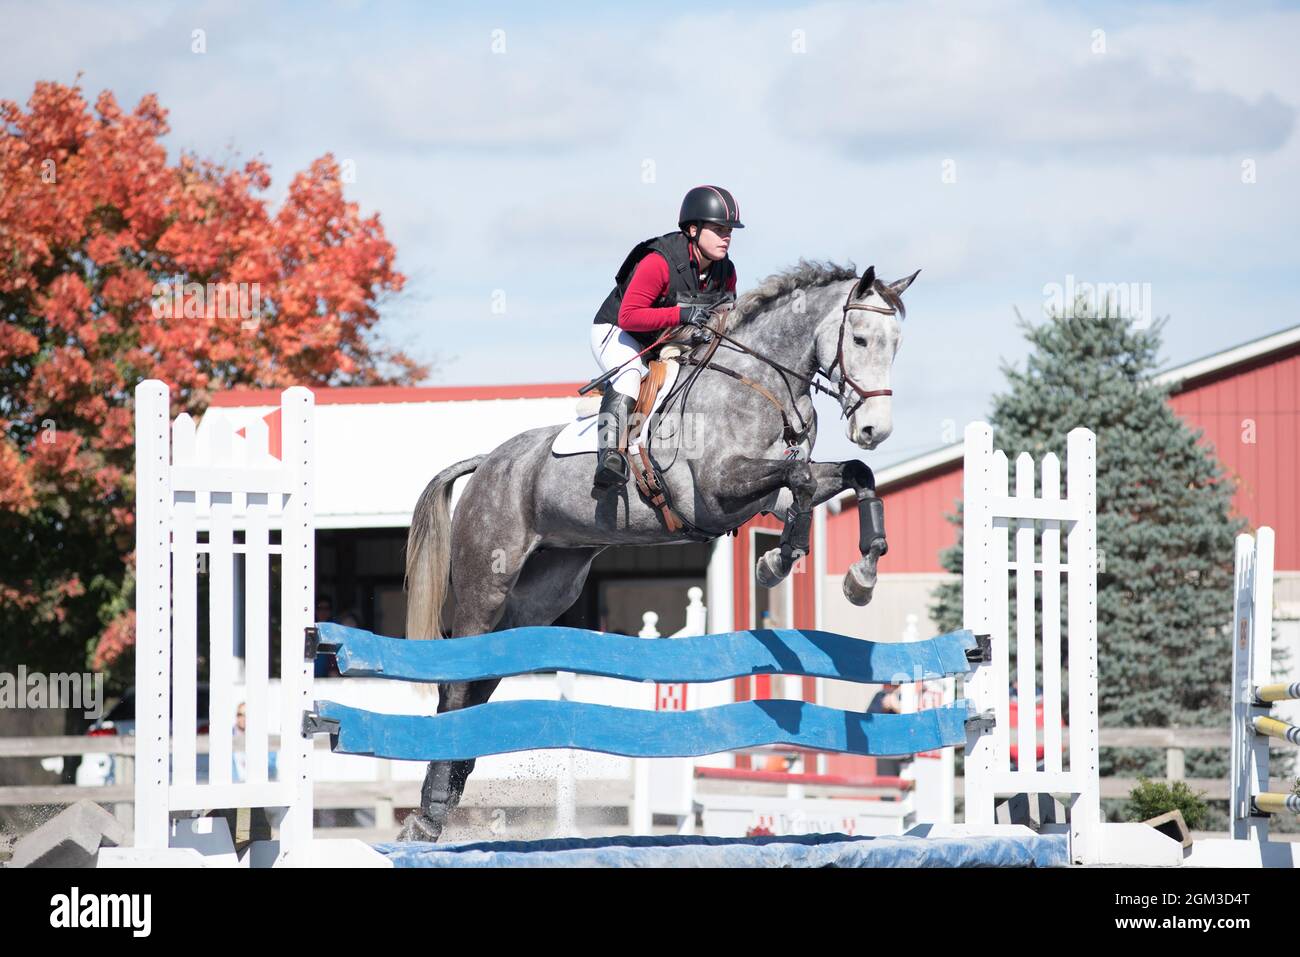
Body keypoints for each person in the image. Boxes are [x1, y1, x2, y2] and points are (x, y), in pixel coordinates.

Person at [589, 185, 742, 488]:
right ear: (693, 229)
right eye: (718, 228)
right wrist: (681, 315)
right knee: (630, 375)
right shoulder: (659, 261)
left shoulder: (726, 272)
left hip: (668, 339)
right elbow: (629, 316)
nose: (726, 236)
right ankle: (609, 457)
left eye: (729, 230)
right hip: (619, 332)